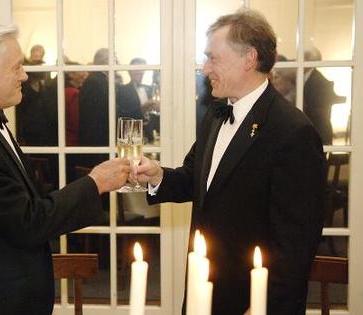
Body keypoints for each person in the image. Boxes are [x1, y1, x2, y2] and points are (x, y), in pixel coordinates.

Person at [0, 21, 130, 315]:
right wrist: (96, 183)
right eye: (16, 67)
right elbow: (28, 221)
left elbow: (26, 201)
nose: (25, 74)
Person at [136, 9, 325, 315]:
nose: (204, 67)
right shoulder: (215, 114)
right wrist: (157, 175)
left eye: (213, 58)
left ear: (249, 58)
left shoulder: (293, 132)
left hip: (252, 299)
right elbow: (195, 179)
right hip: (204, 287)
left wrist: (264, 305)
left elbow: (297, 243)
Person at [303, 47, 346, 145]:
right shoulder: (306, 77)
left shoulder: (320, 82)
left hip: (317, 133)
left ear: (307, 59)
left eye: (302, 57)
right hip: (312, 132)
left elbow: (318, 113)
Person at [116, 57, 159, 142]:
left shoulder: (150, 89)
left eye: (141, 69)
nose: (139, 72)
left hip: (149, 135)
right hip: (131, 136)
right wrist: (142, 109)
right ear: (129, 71)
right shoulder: (121, 90)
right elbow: (121, 115)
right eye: (136, 69)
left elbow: (154, 115)